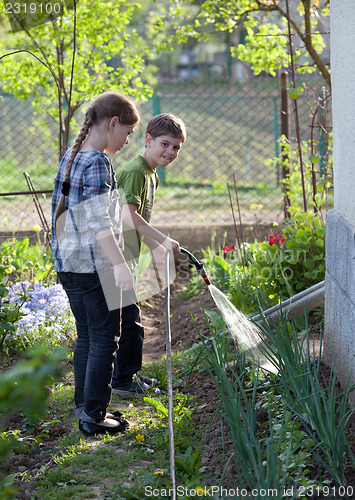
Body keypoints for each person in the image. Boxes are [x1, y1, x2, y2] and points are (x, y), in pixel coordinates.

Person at [51, 91, 140, 435]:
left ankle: (85, 407)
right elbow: (100, 223)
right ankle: (94, 414)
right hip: (94, 265)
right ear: (113, 123)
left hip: (69, 264)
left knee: (87, 335)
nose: (128, 140)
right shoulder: (99, 162)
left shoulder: (71, 156)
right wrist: (119, 265)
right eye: (129, 133)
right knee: (105, 337)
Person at [111, 113, 187, 396]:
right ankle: (121, 382)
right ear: (148, 140)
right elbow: (128, 217)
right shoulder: (135, 172)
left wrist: (154, 247)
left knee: (129, 321)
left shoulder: (150, 174)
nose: (170, 152)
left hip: (127, 255)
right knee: (129, 323)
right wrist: (162, 239)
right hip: (115, 256)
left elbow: (138, 219)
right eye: (165, 144)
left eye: (176, 147)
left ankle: (126, 377)